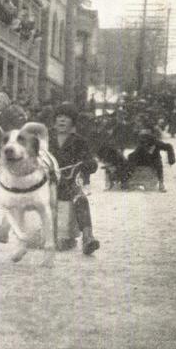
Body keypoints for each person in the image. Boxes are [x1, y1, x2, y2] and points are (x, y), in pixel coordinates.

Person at [48, 103, 100, 255]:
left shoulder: (79, 141)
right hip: (48, 183)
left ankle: (88, 237)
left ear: (72, 122)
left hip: (68, 184)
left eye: (66, 118)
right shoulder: (46, 139)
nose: (62, 120)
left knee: (80, 198)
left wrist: (87, 164)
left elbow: (92, 163)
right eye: (59, 117)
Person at [127, 127, 176, 192]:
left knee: (158, 164)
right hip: (144, 162)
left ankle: (161, 183)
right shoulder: (141, 144)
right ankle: (130, 180)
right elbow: (133, 155)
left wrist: (171, 158)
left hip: (153, 162)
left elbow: (168, 146)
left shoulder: (155, 142)